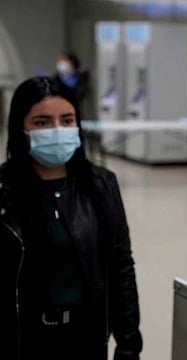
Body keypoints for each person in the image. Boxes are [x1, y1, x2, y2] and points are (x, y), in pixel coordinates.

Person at [1, 76, 142, 360]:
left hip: (86, 338)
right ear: (21, 128)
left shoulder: (101, 185)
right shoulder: (4, 191)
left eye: (66, 120)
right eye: (42, 122)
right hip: (25, 340)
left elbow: (121, 268)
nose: (57, 130)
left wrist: (128, 345)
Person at [52, 51, 90, 118]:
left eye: (63, 61)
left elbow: (80, 94)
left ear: (71, 62)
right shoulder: (56, 79)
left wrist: (67, 82)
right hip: (59, 113)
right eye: (59, 61)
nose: (61, 64)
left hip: (76, 113)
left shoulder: (81, 78)